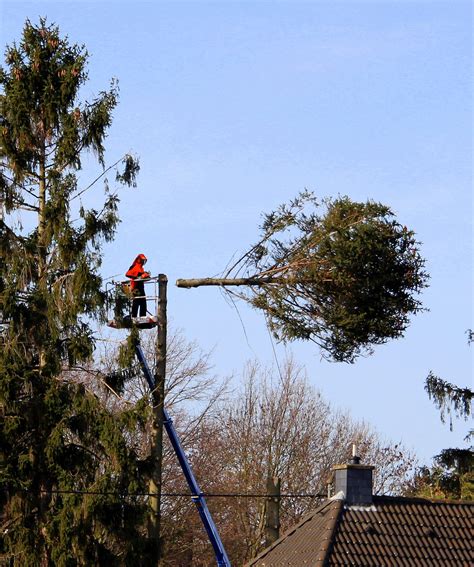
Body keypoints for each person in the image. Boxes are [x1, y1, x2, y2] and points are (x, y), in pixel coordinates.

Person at [125, 254, 150, 318]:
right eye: (142, 260)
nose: (143, 262)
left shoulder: (141, 268)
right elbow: (128, 274)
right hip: (135, 286)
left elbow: (141, 277)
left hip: (140, 286)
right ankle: (134, 316)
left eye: (144, 261)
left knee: (143, 302)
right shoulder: (135, 266)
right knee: (136, 301)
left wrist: (145, 276)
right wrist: (138, 276)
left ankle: (142, 316)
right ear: (139, 260)